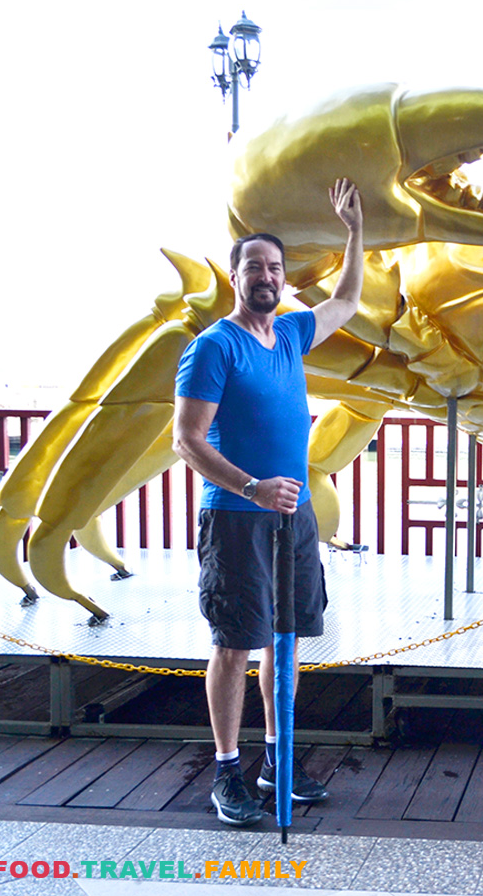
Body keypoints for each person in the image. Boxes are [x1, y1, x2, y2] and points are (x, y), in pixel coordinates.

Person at [172, 178, 363, 827]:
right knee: (235, 644)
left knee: (286, 642)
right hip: (236, 518)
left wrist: (354, 232)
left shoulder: (288, 335)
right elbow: (186, 440)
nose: (267, 275)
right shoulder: (213, 347)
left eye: (275, 267)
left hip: (294, 517)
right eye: (255, 264)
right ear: (236, 275)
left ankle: (277, 760)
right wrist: (250, 486)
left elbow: (346, 301)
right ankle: (228, 771)